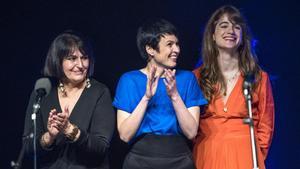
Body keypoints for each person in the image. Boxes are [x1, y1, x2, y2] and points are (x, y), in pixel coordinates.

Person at [113, 19, 207, 169]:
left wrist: (175, 96)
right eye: (169, 44)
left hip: (179, 159)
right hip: (140, 160)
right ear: (150, 49)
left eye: (177, 44)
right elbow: (125, 135)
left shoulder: (187, 79)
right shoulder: (129, 80)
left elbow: (191, 132)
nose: (176, 49)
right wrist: (146, 98)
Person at [192, 5, 275, 169]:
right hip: (206, 155)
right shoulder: (196, 77)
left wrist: (256, 156)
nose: (231, 30)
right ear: (213, 35)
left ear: (243, 36)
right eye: (224, 25)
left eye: (237, 27)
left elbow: (266, 126)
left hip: (245, 155)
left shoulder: (258, 77)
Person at [22, 31, 115, 169]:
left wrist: (70, 130)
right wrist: (49, 137)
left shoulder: (99, 92)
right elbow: (28, 146)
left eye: (84, 58)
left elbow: (101, 146)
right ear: (58, 61)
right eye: (72, 58)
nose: (80, 65)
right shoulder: (43, 92)